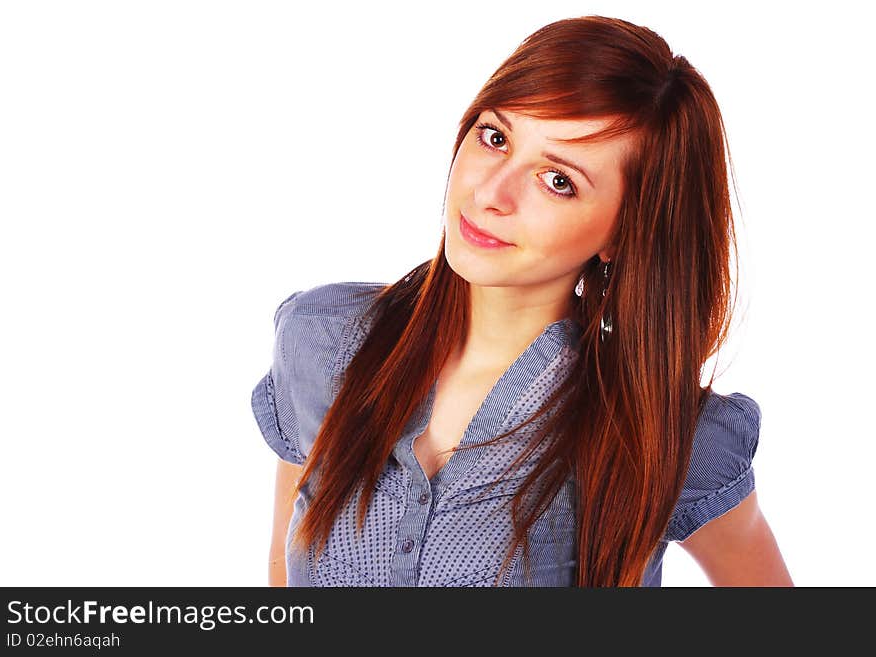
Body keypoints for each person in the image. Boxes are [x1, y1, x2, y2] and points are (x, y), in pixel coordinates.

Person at [252, 15, 793, 587]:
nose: (490, 194)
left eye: (557, 180)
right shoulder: (323, 344)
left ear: (623, 232)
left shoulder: (664, 432)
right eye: (496, 138)